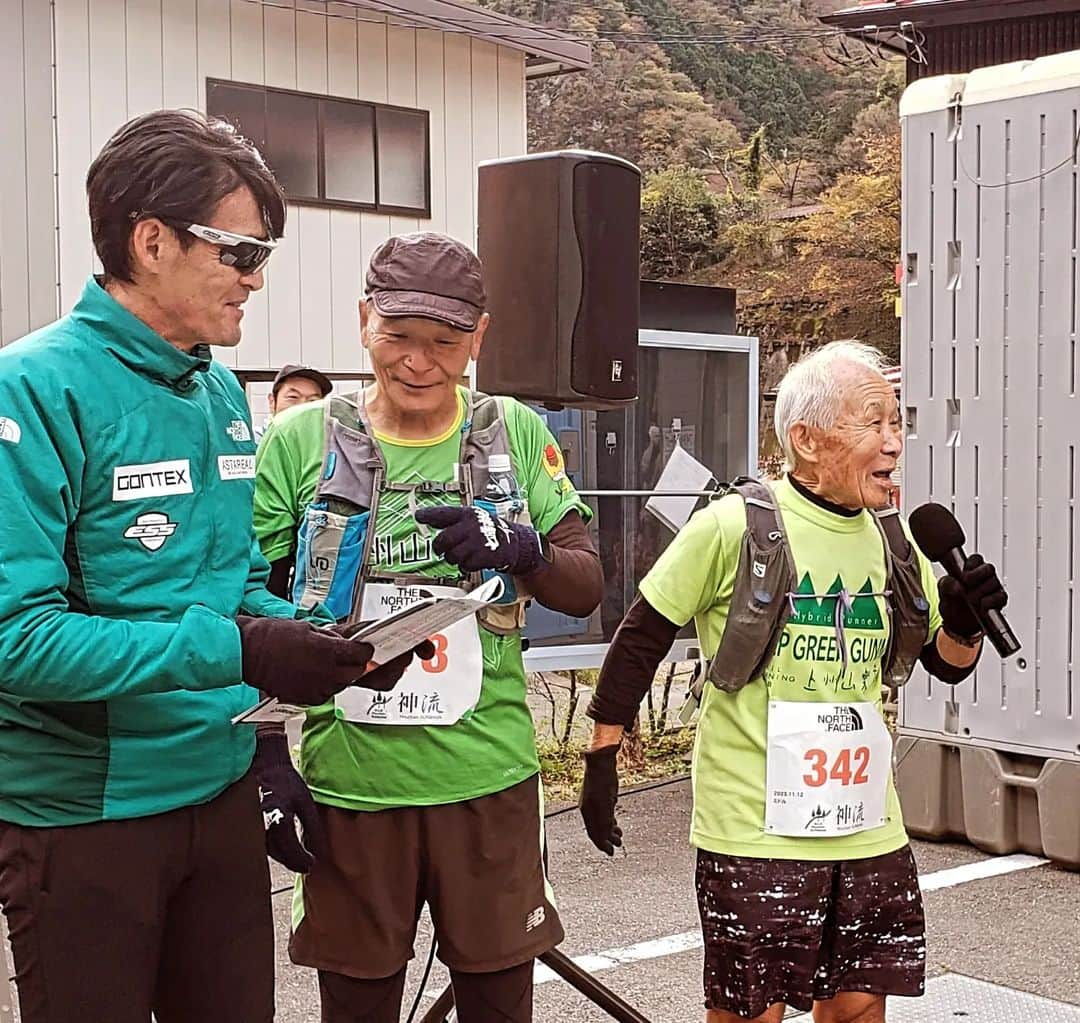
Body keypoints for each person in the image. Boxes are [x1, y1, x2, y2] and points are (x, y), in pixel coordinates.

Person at [0, 110, 423, 1023]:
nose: (258, 279)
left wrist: (325, 641)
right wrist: (242, 647)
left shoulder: (219, 389)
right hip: (85, 815)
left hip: (220, 786)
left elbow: (234, 587)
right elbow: (17, 639)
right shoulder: (31, 387)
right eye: (240, 253)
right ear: (150, 241)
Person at [578, 340, 1008, 1023]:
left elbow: (945, 662)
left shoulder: (894, 542)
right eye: (874, 423)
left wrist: (965, 620)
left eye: (897, 423)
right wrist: (601, 756)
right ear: (806, 438)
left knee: (861, 1009)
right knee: (754, 1012)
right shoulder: (735, 525)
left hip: (867, 826)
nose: (893, 441)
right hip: (756, 831)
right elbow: (643, 634)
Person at [252, 231, 604, 1023]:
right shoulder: (301, 439)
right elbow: (250, 605)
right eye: (398, 338)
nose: (419, 362)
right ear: (362, 319)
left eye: (445, 343)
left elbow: (586, 582)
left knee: (497, 1004)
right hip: (348, 788)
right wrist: (267, 756)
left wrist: (524, 548)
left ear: (478, 337)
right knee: (357, 1004)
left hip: (488, 781)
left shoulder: (510, 433)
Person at [255, 364, 332, 441]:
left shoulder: (329, 446)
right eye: (293, 397)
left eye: (312, 400)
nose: (303, 407)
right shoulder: (252, 444)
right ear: (272, 401)